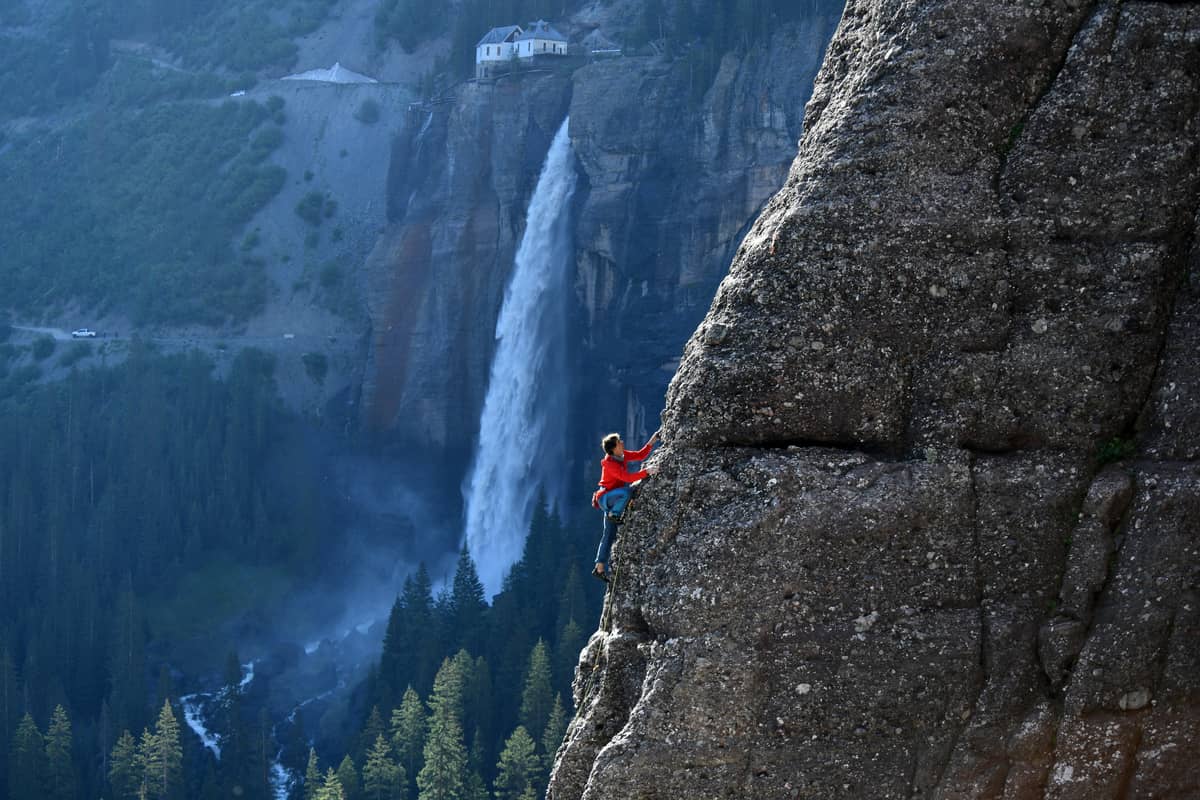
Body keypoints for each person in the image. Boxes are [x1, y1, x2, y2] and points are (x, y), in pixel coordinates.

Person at [590, 429, 660, 582]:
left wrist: (653, 440)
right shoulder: (610, 464)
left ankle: (599, 567)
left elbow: (640, 455)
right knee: (627, 492)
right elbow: (627, 477)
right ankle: (614, 514)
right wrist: (646, 472)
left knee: (608, 535)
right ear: (614, 448)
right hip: (607, 498)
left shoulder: (621, 456)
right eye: (619, 442)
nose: (622, 442)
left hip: (612, 499)